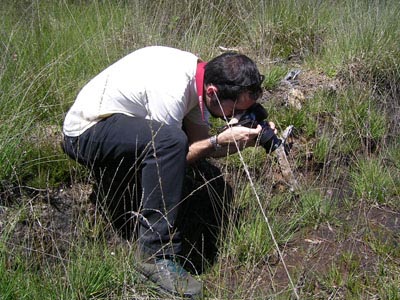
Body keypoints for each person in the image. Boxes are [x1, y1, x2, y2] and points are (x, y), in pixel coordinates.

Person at [62, 46, 273, 298]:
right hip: (85, 134)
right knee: (171, 141)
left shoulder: (199, 78)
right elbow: (174, 155)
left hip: (118, 126)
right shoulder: (172, 89)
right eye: (236, 110)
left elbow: (200, 146)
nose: (237, 116)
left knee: (172, 140)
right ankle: (154, 256)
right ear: (212, 92)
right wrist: (218, 141)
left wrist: (240, 140)